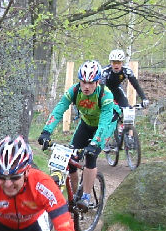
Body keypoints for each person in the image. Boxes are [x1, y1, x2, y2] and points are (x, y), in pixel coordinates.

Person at [37, 60, 120, 212]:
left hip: (106, 125)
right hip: (87, 123)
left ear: (97, 82)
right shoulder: (74, 91)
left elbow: (103, 124)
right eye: (83, 82)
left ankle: (87, 196)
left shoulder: (105, 95)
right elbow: (59, 109)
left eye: (90, 83)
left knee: (90, 156)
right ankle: (75, 197)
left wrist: (94, 144)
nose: (86, 86)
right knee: (71, 159)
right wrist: (46, 131)